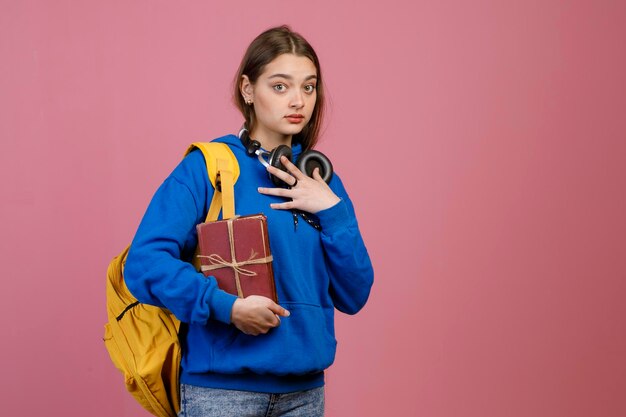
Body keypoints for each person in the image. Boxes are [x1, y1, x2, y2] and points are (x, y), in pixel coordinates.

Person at [124, 25, 374, 417]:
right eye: (280, 86)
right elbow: (143, 264)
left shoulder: (321, 179)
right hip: (223, 395)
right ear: (247, 90)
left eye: (308, 87)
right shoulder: (206, 168)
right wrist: (226, 307)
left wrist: (332, 209)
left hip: (306, 394)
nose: (298, 100)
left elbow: (355, 294)